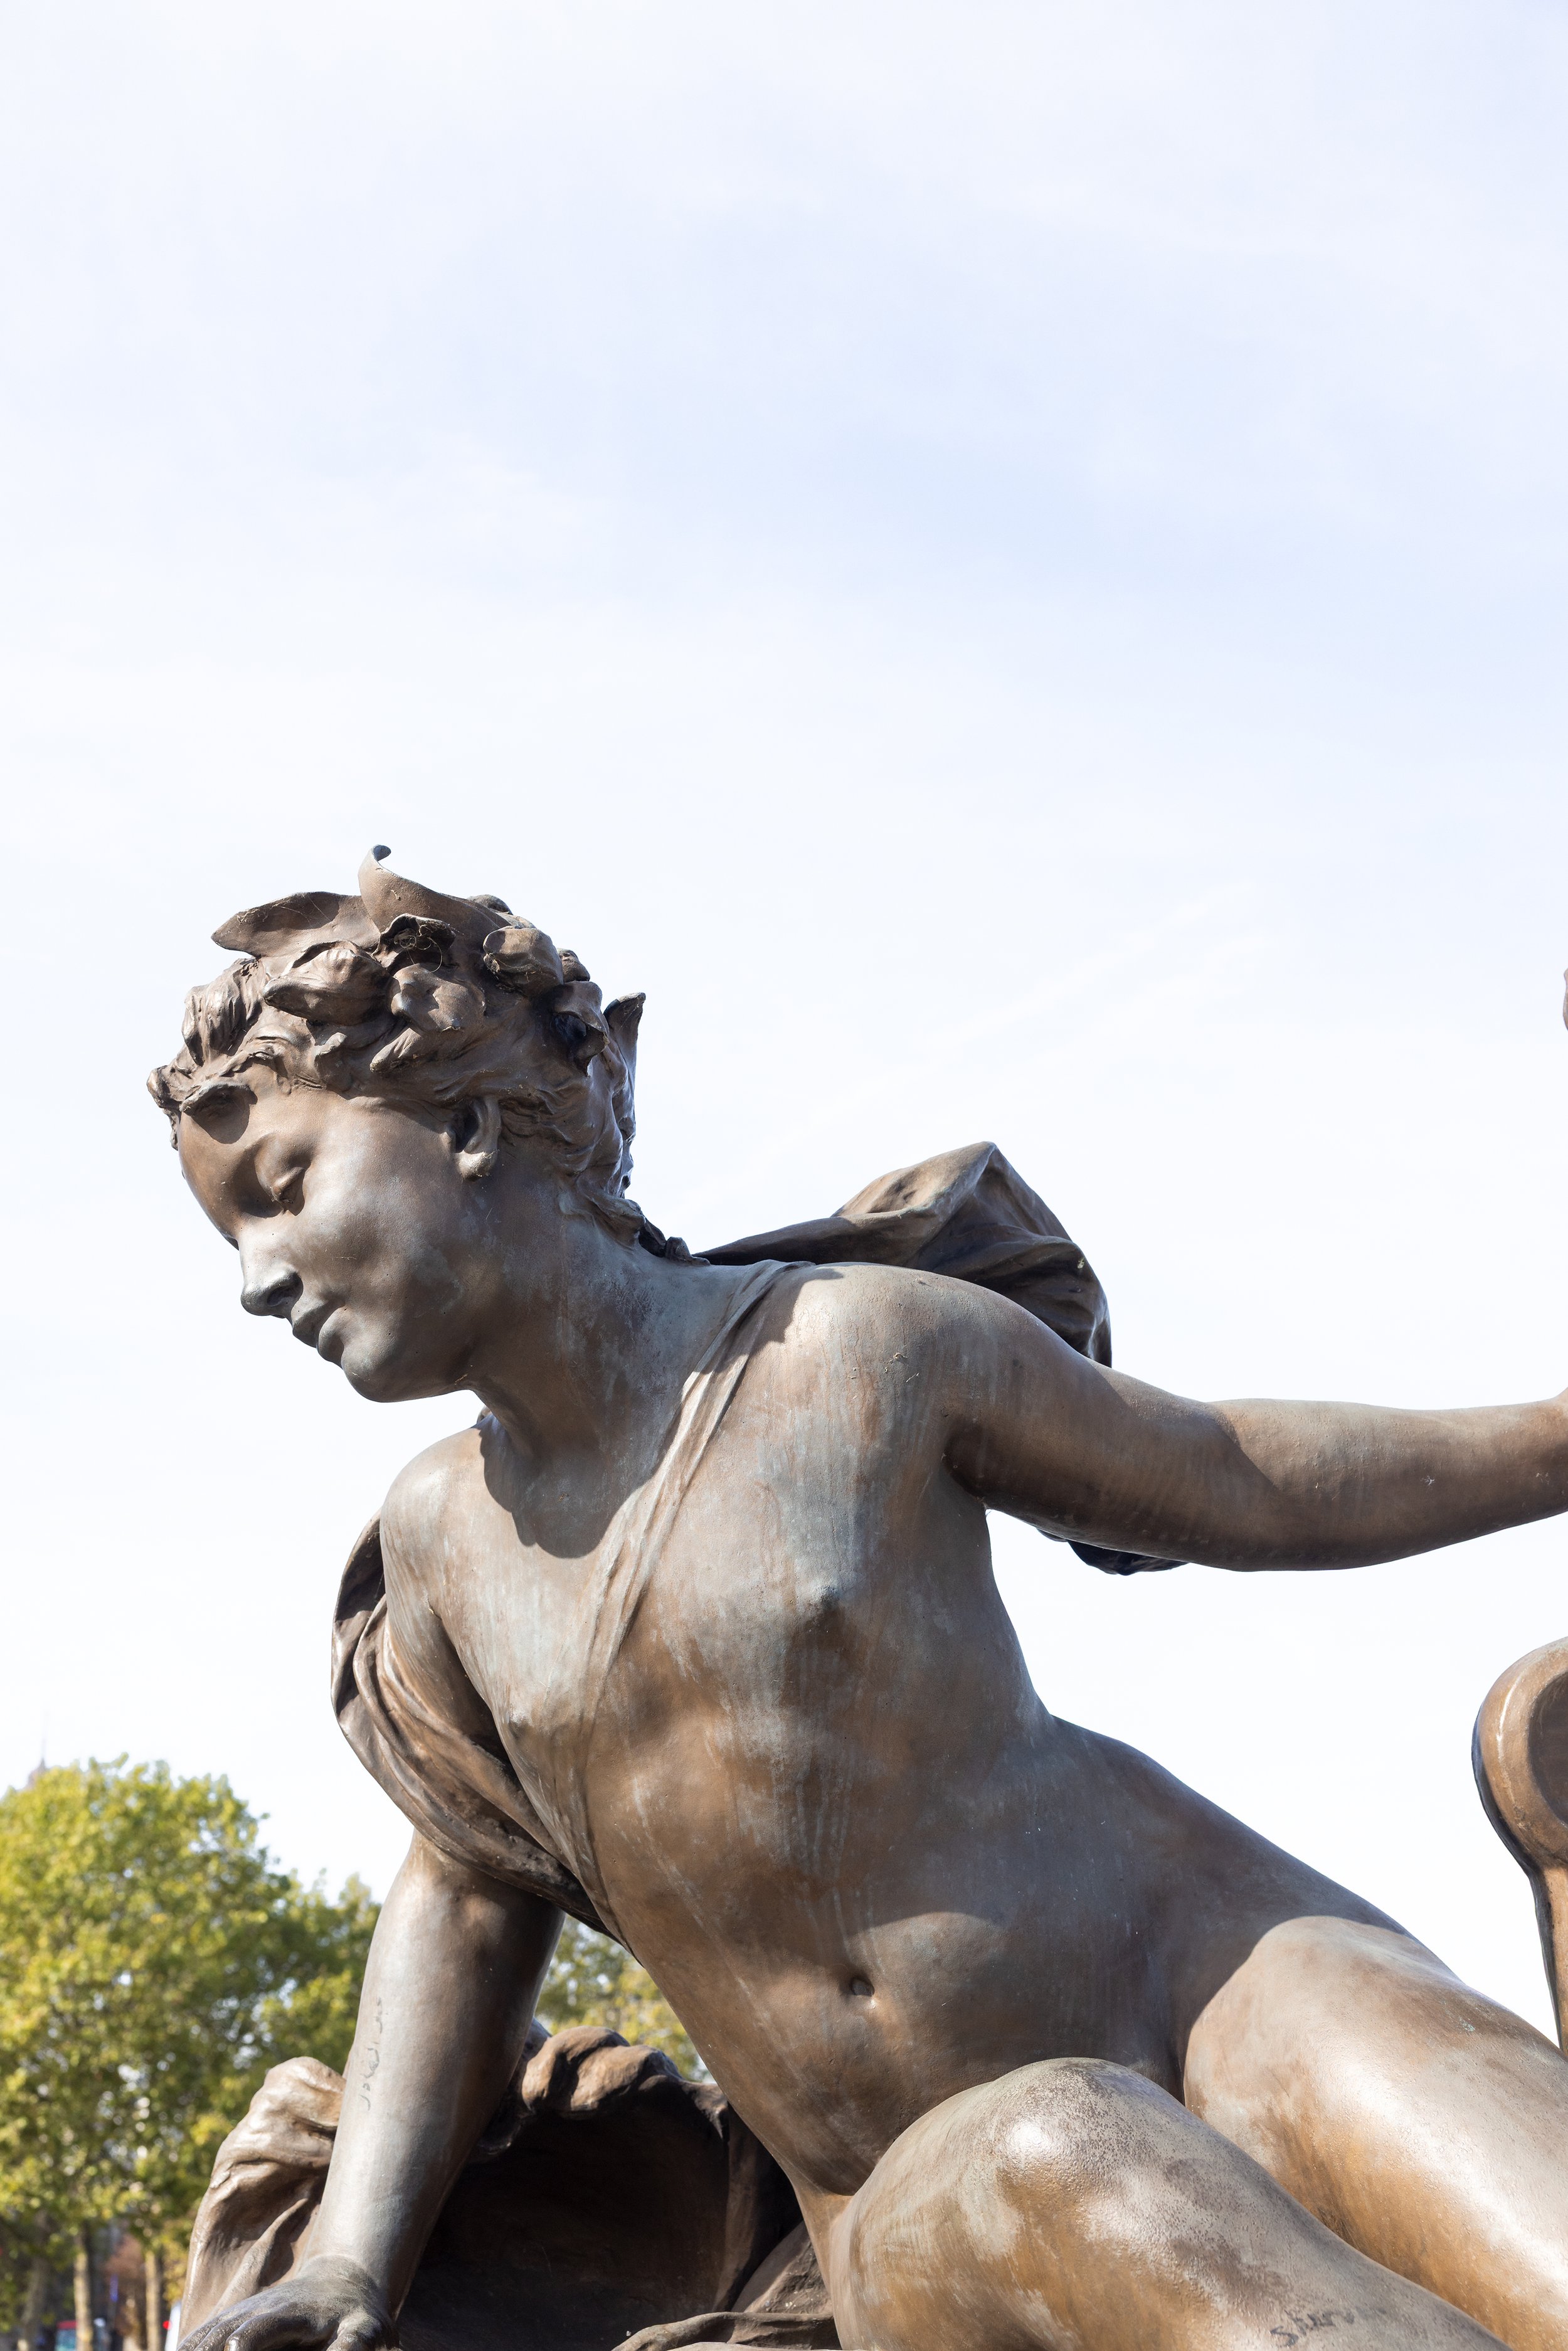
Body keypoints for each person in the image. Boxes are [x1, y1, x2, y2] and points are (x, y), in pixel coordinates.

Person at [159, 850, 1568, 2351]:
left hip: (1221, 1959)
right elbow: (459, 1891)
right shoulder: (440, 1540)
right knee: (1065, 2140)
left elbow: (1235, 1473)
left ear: (461, 1118)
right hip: (929, 2176)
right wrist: (349, 2262)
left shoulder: (859, 1350)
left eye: (284, 1185)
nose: (257, 1275)